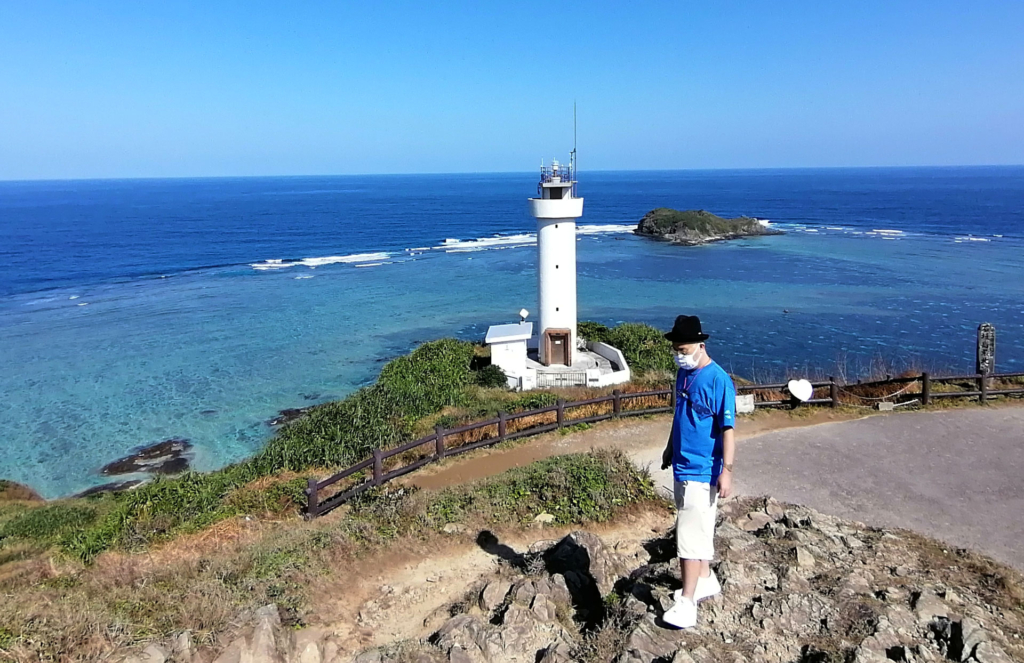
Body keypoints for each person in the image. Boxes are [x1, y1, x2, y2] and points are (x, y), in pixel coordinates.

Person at [659, 315, 736, 629]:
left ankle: (687, 603)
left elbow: (728, 429)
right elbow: (680, 415)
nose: (680, 353)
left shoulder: (718, 380)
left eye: (684, 348)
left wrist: (727, 470)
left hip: (703, 471)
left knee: (688, 538)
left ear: (700, 344)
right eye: (676, 348)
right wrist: (669, 448)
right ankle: (704, 580)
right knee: (697, 528)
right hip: (681, 464)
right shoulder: (683, 374)